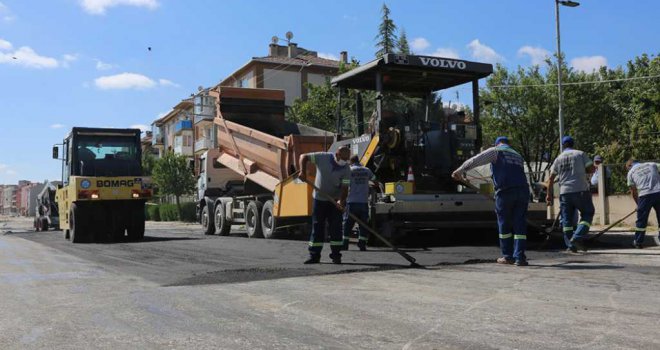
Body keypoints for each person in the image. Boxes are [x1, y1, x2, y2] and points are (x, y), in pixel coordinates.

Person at [452, 136, 530, 266]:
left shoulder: (496, 151)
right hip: (523, 191)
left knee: (504, 223)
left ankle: (507, 256)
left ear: (497, 143)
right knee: (520, 224)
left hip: (506, 191)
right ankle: (520, 257)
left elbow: (475, 160)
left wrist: (459, 171)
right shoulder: (517, 155)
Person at [299, 146, 351, 264]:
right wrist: (303, 171)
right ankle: (314, 256)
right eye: (343, 159)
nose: (345, 162)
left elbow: (345, 188)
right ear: (337, 155)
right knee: (318, 227)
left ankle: (336, 255)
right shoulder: (323, 157)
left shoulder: (346, 168)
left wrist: (341, 201)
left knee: (336, 228)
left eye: (347, 159)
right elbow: (303, 157)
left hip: (335, 201)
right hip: (319, 199)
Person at [546, 136, 595, 252]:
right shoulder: (580, 154)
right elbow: (591, 169)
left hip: (564, 193)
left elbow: (551, 179)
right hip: (580, 190)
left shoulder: (558, 158)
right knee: (588, 213)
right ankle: (577, 238)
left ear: (563, 145)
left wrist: (549, 195)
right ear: (573, 144)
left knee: (567, 220)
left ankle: (570, 245)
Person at [342, 155, 378, 251]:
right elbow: (375, 179)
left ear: (351, 161)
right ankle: (362, 245)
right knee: (363, 224)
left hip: (352, 202)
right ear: (359, 161)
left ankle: (344, 244)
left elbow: (344, 185)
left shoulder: (349, 170)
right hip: (363, 202)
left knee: (347, 224)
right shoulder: (367, 170)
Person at [625, 159, 660, 248]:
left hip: (644, 196)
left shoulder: (631, 173)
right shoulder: (651, 164)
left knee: (641, 220)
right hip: (658, 192)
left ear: (630, 166)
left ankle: (638, 242)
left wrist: (639, 204)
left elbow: (633, 191)